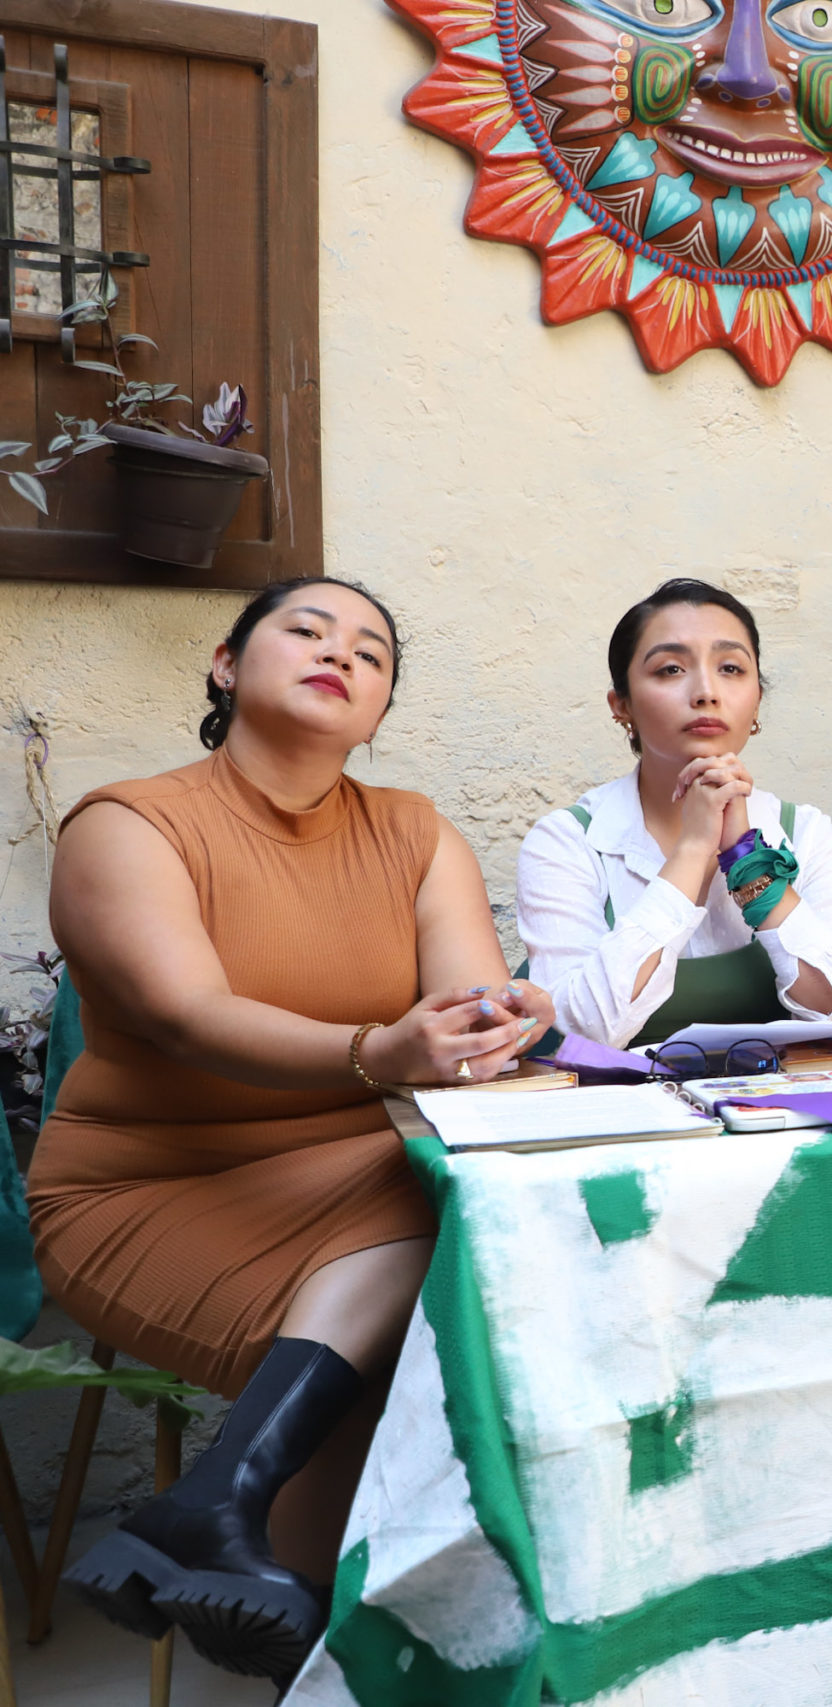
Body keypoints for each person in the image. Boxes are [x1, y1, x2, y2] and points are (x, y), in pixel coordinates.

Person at [38, 578, 554, 1679]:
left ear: (377, 714)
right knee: (436, 1259)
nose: (341, 654)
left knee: (464, 1241)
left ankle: (237, 1530)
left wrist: (499, 1023)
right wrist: (383, 1051)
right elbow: (190, 1015)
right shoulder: (128, 823)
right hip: (152, 1190)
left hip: (362, 1179)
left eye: (371, 654)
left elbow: (458, 1018)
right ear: (226, 664)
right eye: (307, 631)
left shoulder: (414, 834)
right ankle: (317, 1634)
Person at [517, 578, 832, 1052]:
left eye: (730, 668)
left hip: (773, 1110)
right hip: (618, 1115)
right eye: (670, 669)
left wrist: (747, 859)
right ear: (621, 705)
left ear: (757, 703)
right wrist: (691, 852)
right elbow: (582, 1030)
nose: (706, 691)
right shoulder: (569, 841)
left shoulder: (807, 833)